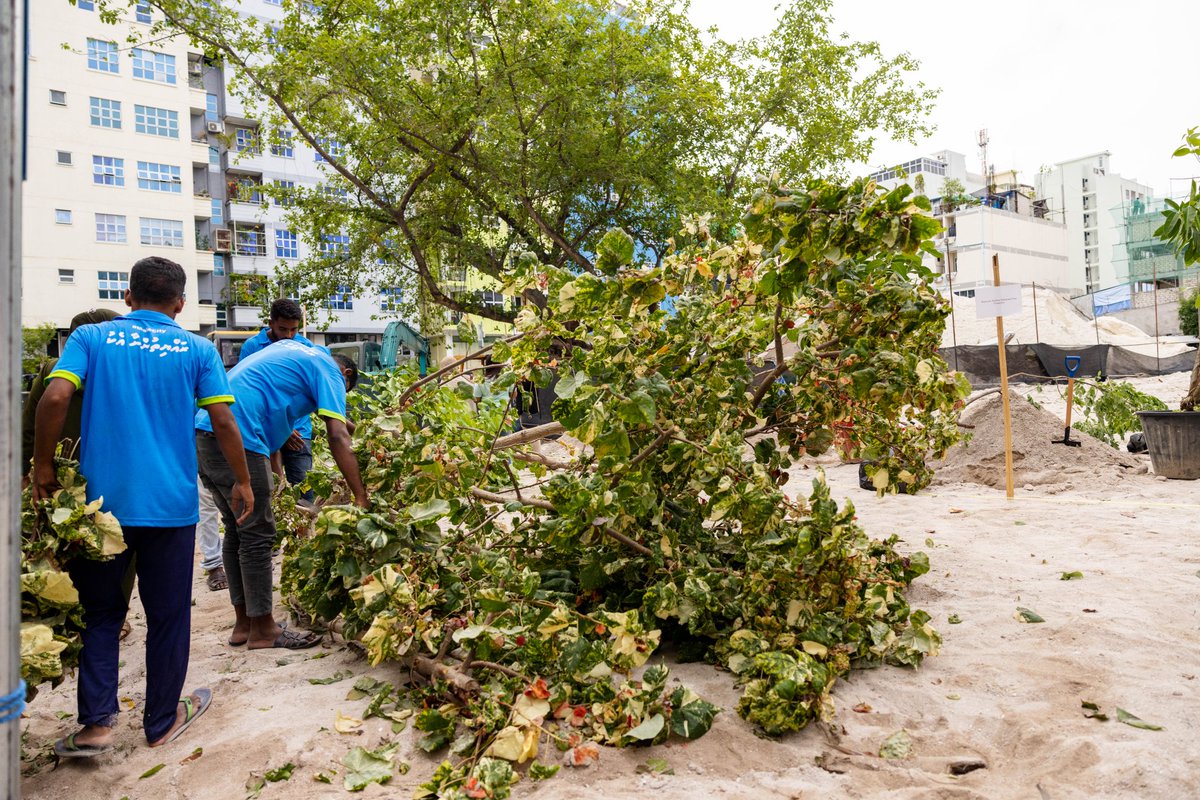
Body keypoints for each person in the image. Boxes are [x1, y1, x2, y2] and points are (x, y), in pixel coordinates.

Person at [32, 257, 254, 757]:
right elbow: (223, 421)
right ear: (180, 303)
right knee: (169, 615)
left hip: (100, 511)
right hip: (171, 507)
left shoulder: (92, 339)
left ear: (128, 297)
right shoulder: (198, 349)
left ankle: (95, 726)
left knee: (102, 614)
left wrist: (42, 468)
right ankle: (160, 722)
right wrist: (242, 480)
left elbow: (54, 399)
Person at [195, 339, 369, 650]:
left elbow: (337, 420)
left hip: (206, 432)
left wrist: (368, 431)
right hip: (242, 440)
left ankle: (244, 624)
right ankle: (264, 630)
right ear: (345, 373)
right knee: (259, 535)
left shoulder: (296, 352)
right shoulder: (329, 371)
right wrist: (360, 497)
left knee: (237, 531)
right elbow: (336, 434)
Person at [20, 309, 119, 476]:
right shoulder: (126, 372)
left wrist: (25, 470)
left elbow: (29, 427)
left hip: (62, 472)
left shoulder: (53, 370)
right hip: (114, 472)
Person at [237, 299, 316, 501]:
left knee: (304, 488)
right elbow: (250, 392)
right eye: (283, 329)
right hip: (263, 429)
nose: (289, 336)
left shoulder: (305, 347)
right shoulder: (253, 346)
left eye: (294, 330)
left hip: (299, 430)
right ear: (270, 323)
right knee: (268, 491)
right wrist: (283, 428)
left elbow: (308, 390)